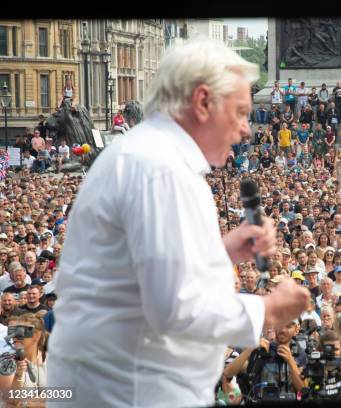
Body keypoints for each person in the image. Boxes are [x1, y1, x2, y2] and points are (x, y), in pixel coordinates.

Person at [46, 40, 310, 407]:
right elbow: (173, 309)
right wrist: (268, 310)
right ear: (203, 102)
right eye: (240, 112)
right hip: (132, 393)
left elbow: (137, 281)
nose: (247, 129)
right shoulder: (161, 169)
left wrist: (221, 251)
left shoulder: (148, 155)